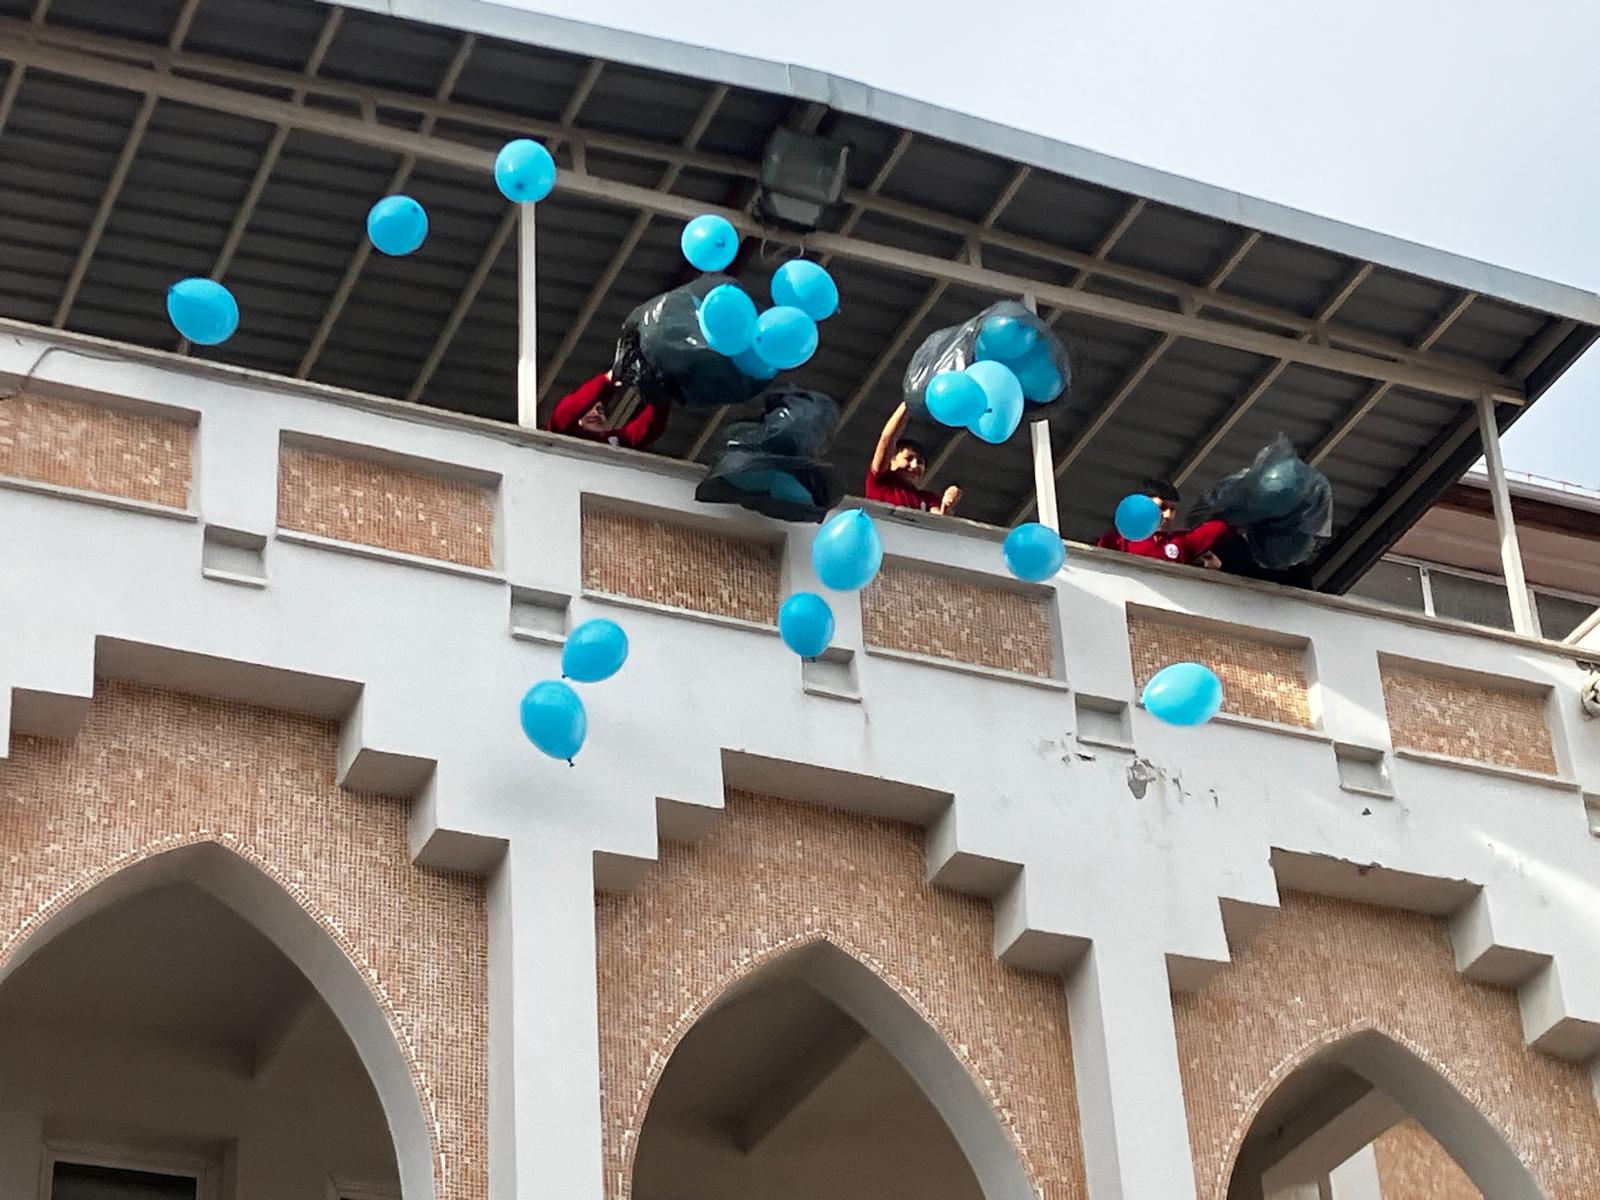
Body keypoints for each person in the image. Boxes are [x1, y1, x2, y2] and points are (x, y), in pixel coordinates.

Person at [1097, 479, 1230, 568]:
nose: (1168, 515)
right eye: (1162, 507)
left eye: (1172, 509)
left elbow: (1222, 526)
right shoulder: (1115, 542)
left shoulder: (1181, 541)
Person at [866, 402, 961, 514]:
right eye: (908, 458)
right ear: (891, 459)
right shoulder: (881, 482)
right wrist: (908, 402)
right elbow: (887, 439)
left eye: (920, 462)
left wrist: (947, 504)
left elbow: (939, 521)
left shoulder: (928, 499)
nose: (915, 465)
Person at [546, 370, 669, 450]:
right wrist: (608, 379)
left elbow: (644, 430)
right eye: (589, 409)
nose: (595, 413)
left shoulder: (613, 440)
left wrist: (660, 397)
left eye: (600, 410)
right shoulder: (563, 433)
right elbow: (567, 410)